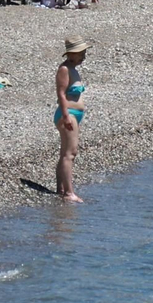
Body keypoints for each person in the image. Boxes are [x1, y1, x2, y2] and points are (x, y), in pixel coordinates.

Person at [54, 37, 90, 202]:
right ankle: (69, 193)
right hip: (68, 113)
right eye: (81, 53)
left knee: (65, 152)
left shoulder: (73, 69)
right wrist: (66, 116)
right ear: (72, 54)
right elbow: (60, 94)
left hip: (73, 114)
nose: (84, 56)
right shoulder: (64, 70)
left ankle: (61, 188)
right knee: (70, 153)